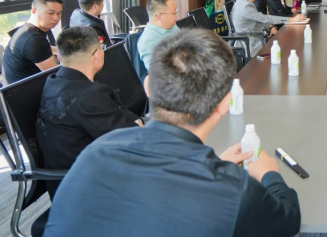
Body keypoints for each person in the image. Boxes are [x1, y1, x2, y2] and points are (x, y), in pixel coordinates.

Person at [42, 29, 301, 237]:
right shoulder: (233, 188)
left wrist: (210, 165)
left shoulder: (93, 154)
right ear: (226, 103)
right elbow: (287, 222)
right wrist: (269, 175)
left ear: (148, 87)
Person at [36, 26, 141, 195]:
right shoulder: (90, 94)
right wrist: (138, 124)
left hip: (65, 184)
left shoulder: (53, 82)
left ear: (60, 57)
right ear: (97, 54)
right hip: (91, 187)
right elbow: (134, 140)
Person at [231, 0, 304, 54]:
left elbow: (257, 19)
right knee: (286, 44)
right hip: (251, 43)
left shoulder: (241, 1)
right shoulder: (246, 7)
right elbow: (265, 18)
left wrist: (270, 26)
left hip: (253, 36)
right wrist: (291, 20)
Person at [2, 0, 62, 84]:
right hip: (26, 91)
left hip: (13, 87)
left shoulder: (25, 30)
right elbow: (56, 76)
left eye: (59, 13)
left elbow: (44, 48)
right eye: (51, 13)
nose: (56, 18)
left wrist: (63, 51)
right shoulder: (34, 39)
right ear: (34, 11)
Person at [137, 0, 181, 70]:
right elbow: (159, 74)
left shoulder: (171, 26)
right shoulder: (148, 42)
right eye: (174, 13)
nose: (177, 15)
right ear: (160, 17)